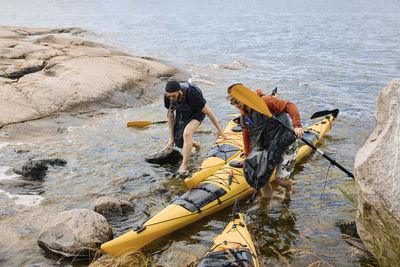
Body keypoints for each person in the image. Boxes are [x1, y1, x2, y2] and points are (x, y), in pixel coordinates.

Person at [227, 83, 304, 199]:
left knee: (281, 181)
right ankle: (266, 206)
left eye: (236, 102)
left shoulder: (266, 101)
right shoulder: (244, 115)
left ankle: (288, 190)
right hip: (268, 147)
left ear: (244, 96)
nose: (235, 105)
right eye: (232, 103)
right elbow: (247, 136)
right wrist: (248, 156)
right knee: (262, 179)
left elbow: (289, 106)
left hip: (286, 142)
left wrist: (297, 126)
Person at [164, 81, 227, 176]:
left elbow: (208, 112)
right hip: (183, 112)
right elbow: (170, 116)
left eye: (173, 96)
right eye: (169, 96)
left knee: (187, 134)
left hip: (197, 113)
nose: (171, 99)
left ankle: (184, 165)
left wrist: (219, 130)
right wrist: (171, 138)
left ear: (180, 91)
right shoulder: (168, 97)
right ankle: (196, 144)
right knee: (179, 142)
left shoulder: (191, 94)